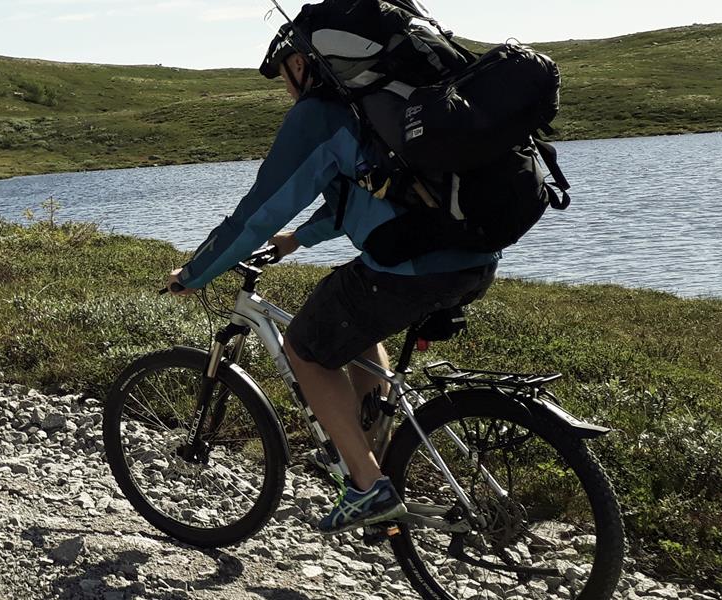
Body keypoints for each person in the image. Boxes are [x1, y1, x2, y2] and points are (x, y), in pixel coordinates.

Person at [166, 28, 498, 534]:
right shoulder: (387, 105)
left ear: (303, 64)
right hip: (473, 256)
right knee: (359, 323)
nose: (286, 91)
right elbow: (367, 195)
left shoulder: (321, 112)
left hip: (415, 269)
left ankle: (368, 487)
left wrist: (195, 273)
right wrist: (298, 239)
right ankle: (373, 452)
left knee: (305, 347)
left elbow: (256, 211)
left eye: (284, 77)